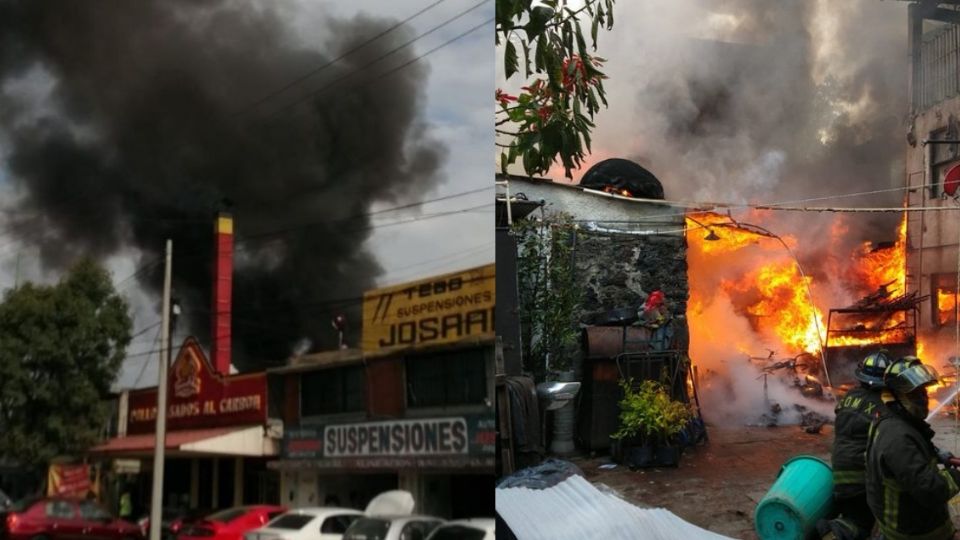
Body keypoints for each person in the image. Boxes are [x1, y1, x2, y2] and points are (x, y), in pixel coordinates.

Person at [865, 356, 960, 540]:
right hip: (913, 531)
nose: (923, 399)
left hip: (908, 520)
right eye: (914, 394)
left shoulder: (893, 419)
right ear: (895, 395)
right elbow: (930, 490)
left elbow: (911, 454)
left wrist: (938, 455)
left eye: (923, 392)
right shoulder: (896, 436)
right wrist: (956, 477)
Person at [818, 350, 892, 540]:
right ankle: (834, 531)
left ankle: (835, 522)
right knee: (863, 523)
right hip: (861, 475)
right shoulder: (882, 405)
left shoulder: (849, 396)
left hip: (840, 468)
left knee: (854, 513)